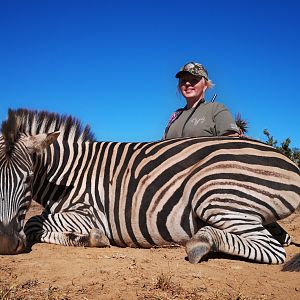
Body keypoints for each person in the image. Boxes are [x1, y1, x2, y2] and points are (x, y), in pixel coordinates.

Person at [163, 61, 240, 139]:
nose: (187, 83)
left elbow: (232, 142)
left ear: (205, 85)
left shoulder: (216, 109)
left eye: (194, 80)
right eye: (183, 80)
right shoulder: (175, 116)